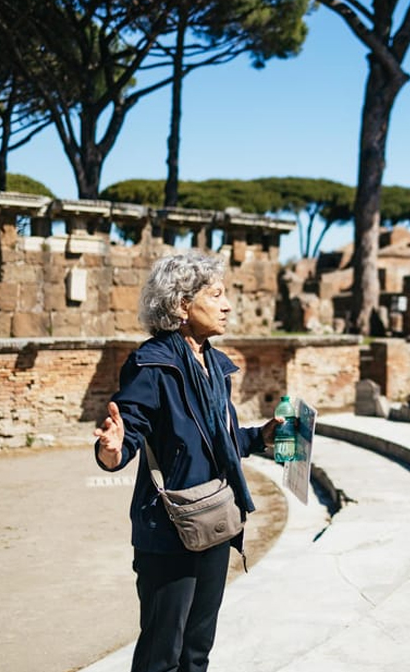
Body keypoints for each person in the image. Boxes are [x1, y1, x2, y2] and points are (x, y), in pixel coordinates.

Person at [94, 252, 278, 672]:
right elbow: (129, 429)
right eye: (216, 295)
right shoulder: (152, 363)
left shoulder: (214, 364)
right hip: (169, 531)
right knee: (162, 654)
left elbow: (220, 440)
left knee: (197, 649)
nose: (227, 304)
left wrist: (260, 436)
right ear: (181, 305)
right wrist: (112, 451)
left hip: (214, 521)